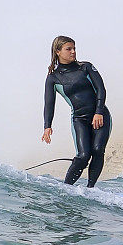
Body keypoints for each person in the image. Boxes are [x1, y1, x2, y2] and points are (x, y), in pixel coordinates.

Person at [41, 36, 112, 188]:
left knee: (98, 150)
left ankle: (91, 188)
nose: (73, 52)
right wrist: (47, 126)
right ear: (58, 51)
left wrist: (98, 112)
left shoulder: (85, 67)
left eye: (74, 48)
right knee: (83, 156)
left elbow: (101, 89)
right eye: (68, 49)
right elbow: (49, 104)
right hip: (79, 119)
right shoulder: (53, 78)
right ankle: (66, 189)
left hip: (100, 115)